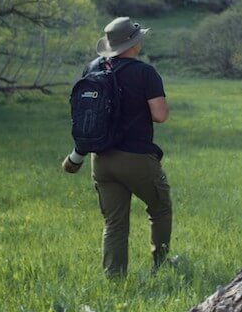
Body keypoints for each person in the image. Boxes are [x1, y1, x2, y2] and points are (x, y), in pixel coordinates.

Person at [62, 16, 172, 278]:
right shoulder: (145, 72)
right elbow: (160, 115)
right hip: (136, 158)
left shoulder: (92, 68)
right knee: (160, 208)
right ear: (132, 45)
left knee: (114, 223)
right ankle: (161, 264)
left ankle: (114, 277)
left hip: (101, 159)